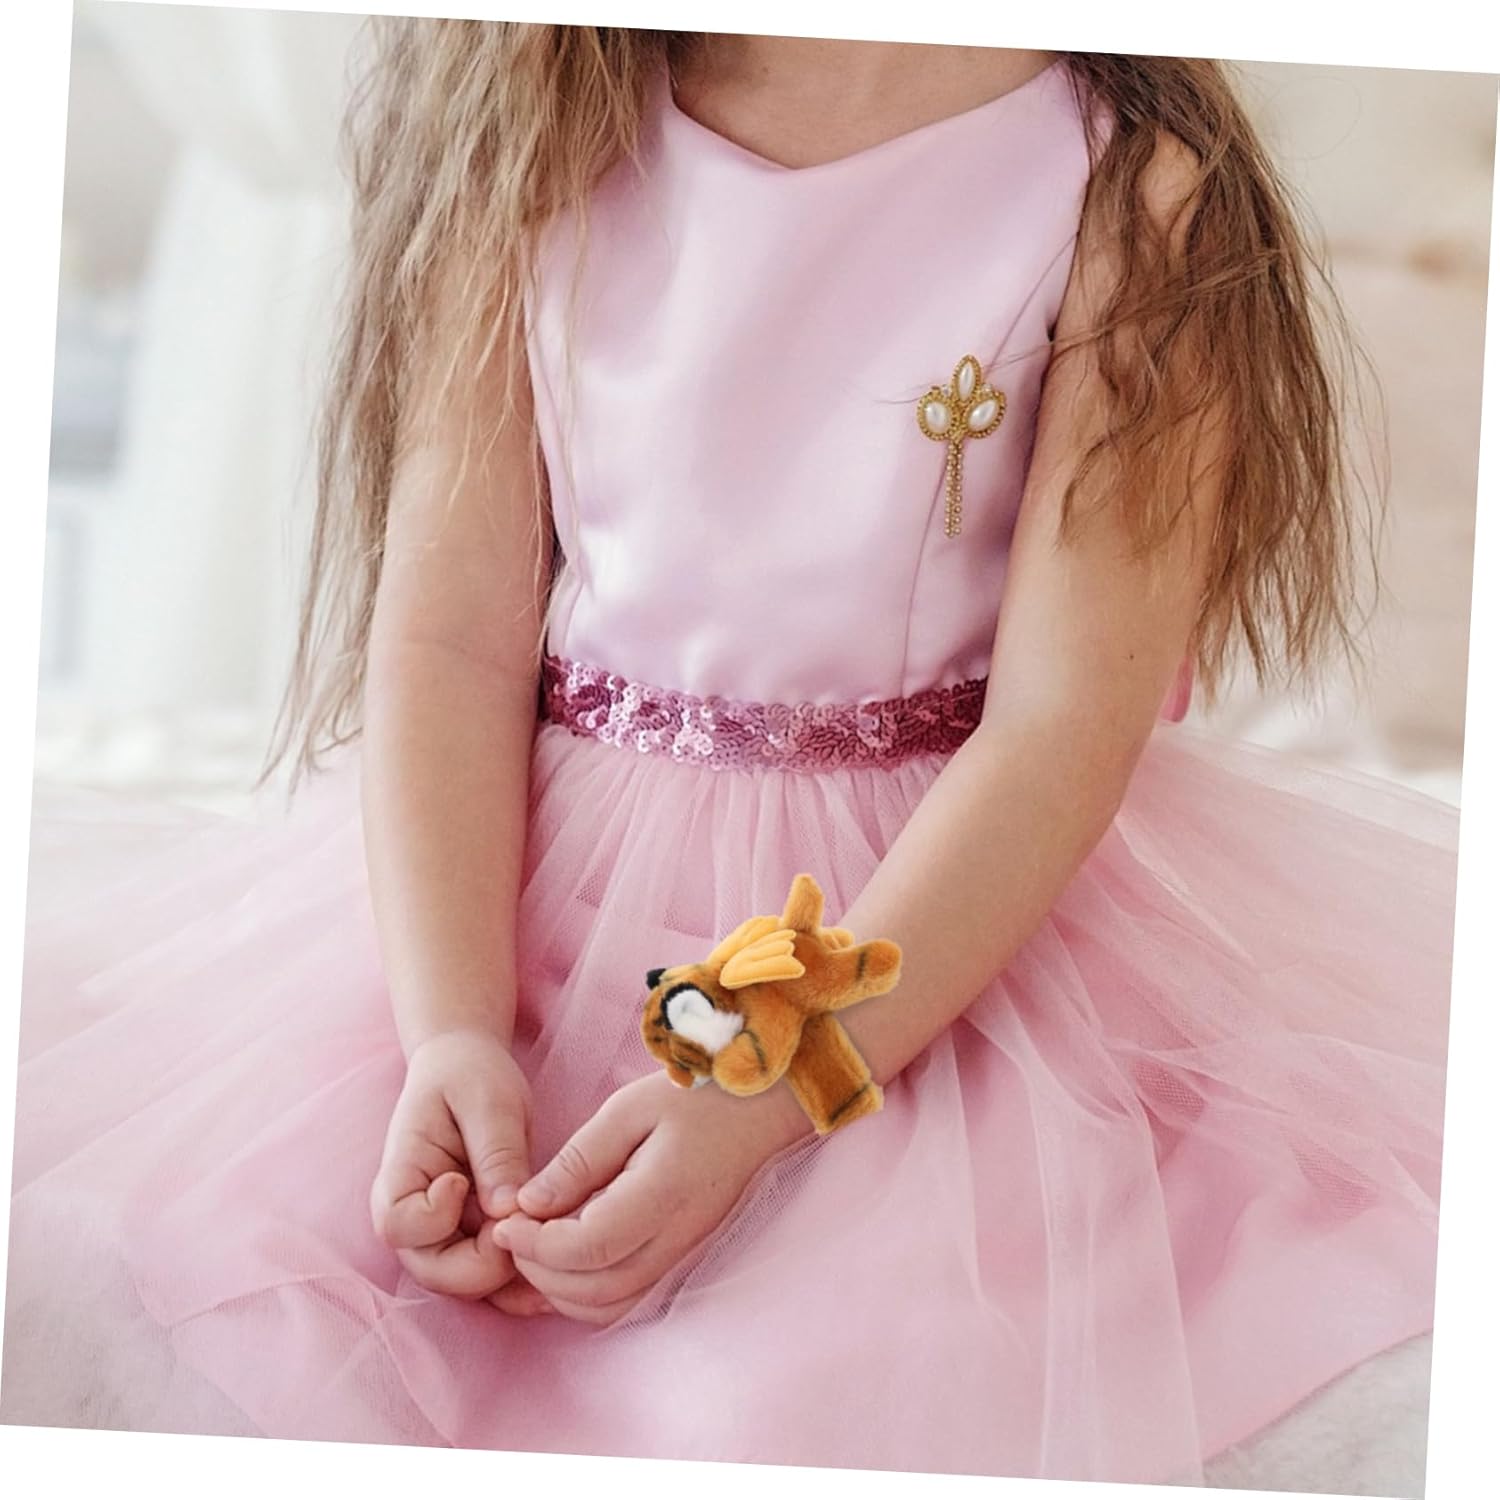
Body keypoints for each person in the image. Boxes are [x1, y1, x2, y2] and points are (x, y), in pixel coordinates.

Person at [2, 23, 1458, 1489]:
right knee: (209, 1258)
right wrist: (453, 1031)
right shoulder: (535, 116)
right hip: (524, 879)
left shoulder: (1132, 186)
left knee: (807, 1369)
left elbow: (1059, 725)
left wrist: (772, 1084)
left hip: (926, 919)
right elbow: (449, 641)